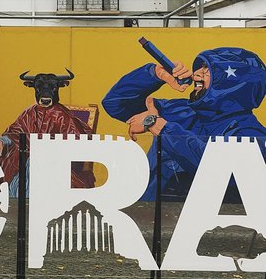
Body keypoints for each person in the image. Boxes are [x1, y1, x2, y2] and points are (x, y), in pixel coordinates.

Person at [102, 47, 266, 201]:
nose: (196, 74)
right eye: (200, 67)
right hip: (148, 217)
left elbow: (218, 172)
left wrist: (158, 126)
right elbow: (115, 104)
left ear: (232, 85)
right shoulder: (179, 110)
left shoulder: (251, 134)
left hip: (204, 228)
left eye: (208, 70)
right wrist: (155, 75)